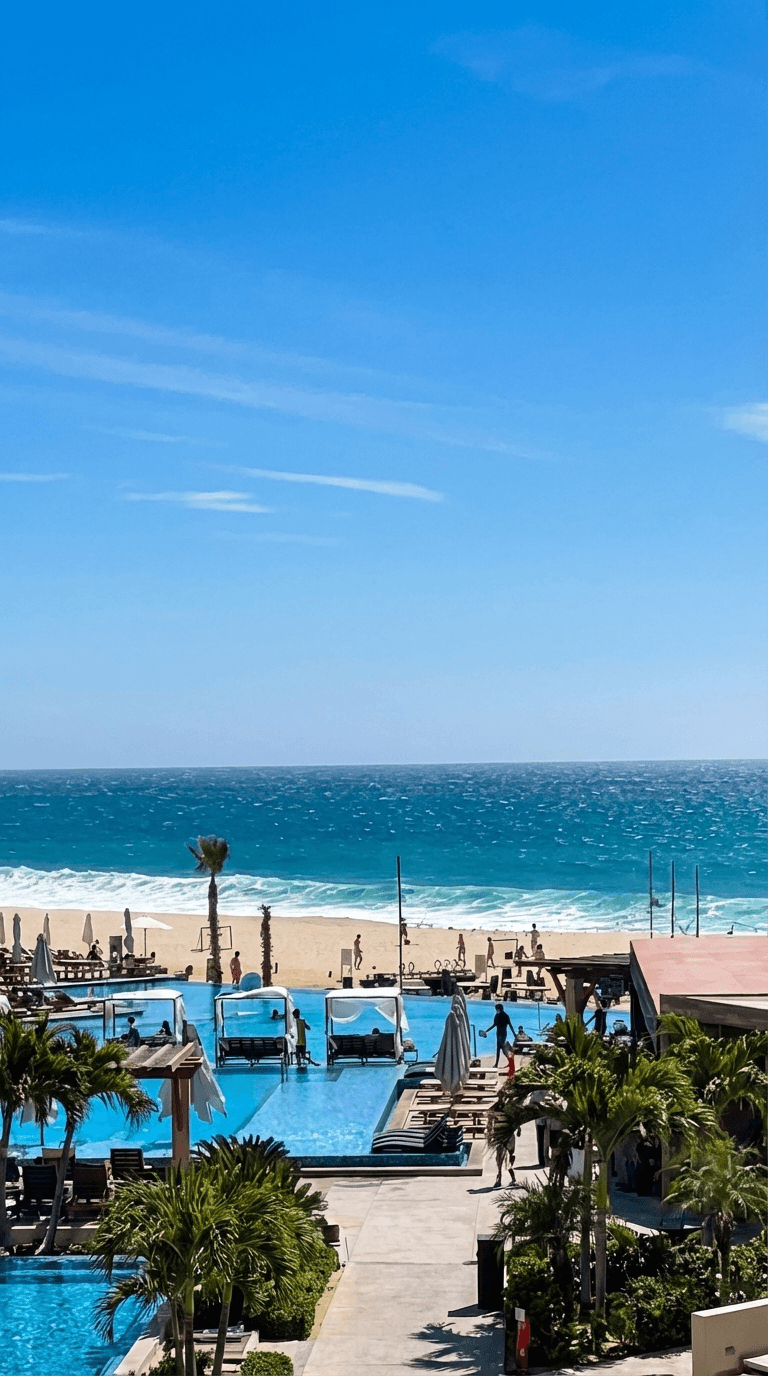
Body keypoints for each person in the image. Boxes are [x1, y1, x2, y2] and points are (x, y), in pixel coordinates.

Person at [484, 1001, 513, 1068]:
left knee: (500, 1049)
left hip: (500, 1034)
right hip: (503, 1034)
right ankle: (507, 1062)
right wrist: (514, 1034)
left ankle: (498, 1064)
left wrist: (487, 1031)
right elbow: (510, 1026)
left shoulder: (498, 1016)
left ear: (498, 1009)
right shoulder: (506, 1015)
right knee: (502, 1048)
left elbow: (494, 1025)